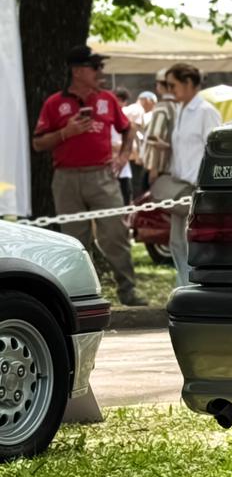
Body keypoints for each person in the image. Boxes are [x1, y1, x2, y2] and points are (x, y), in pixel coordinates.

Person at [30, 45, 147, 306]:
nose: (100, 72)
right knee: (74, 241)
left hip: (102, 176)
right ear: (78, 71)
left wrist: (123, 156)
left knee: (116, 234)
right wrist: (65, 133)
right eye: (96, 67)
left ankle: (128, 291)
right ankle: (80, 297)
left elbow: (128, 129)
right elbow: (38, 143)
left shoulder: (107, 99)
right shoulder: (54, 103)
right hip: (66, 179)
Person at [166, 63, 222, 286]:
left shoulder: (206, 111)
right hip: (179, 186)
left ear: (189, 83)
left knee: (193, 243)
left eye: (173, 85)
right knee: (176, 243)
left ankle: (195, 287)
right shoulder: (180, 109)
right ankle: (183, 285)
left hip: (197, 187)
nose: (170, 90)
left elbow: (214, 149)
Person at [141, 68, 178, 187]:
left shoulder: (162, 107)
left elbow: (154, 140)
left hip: (159, 169)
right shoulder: (180, 106)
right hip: (174, 167)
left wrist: (153, 168)